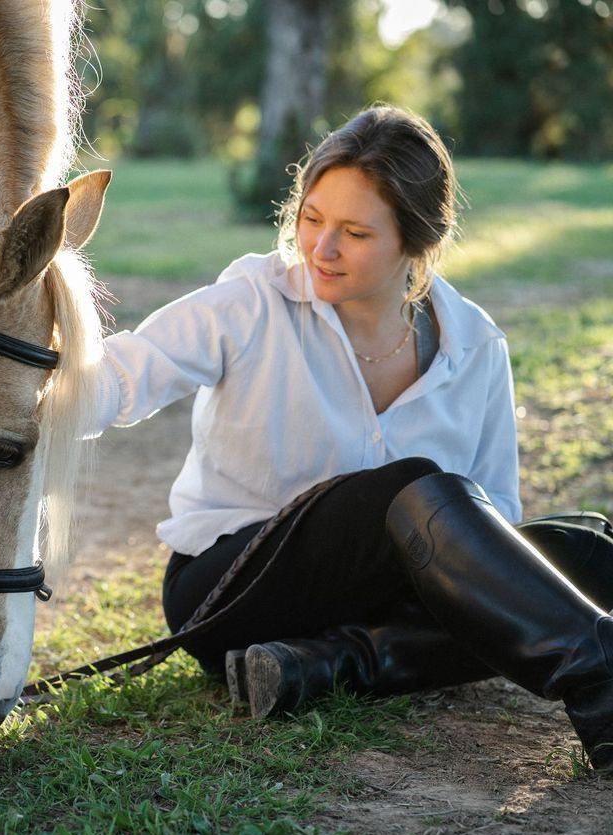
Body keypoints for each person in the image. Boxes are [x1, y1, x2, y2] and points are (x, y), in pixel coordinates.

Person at [87, 104, 613, 769]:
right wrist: (23, 395)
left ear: (418, 241)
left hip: (378, 596)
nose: (320, 249)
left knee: (590, 556)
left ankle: (332, 664)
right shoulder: (254, 300)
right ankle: (601, 677)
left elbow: (497, 522)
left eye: (355, 233)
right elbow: (120, 374)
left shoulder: (475, 344)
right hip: (231, 591)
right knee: (415, 487)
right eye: (311, 219)